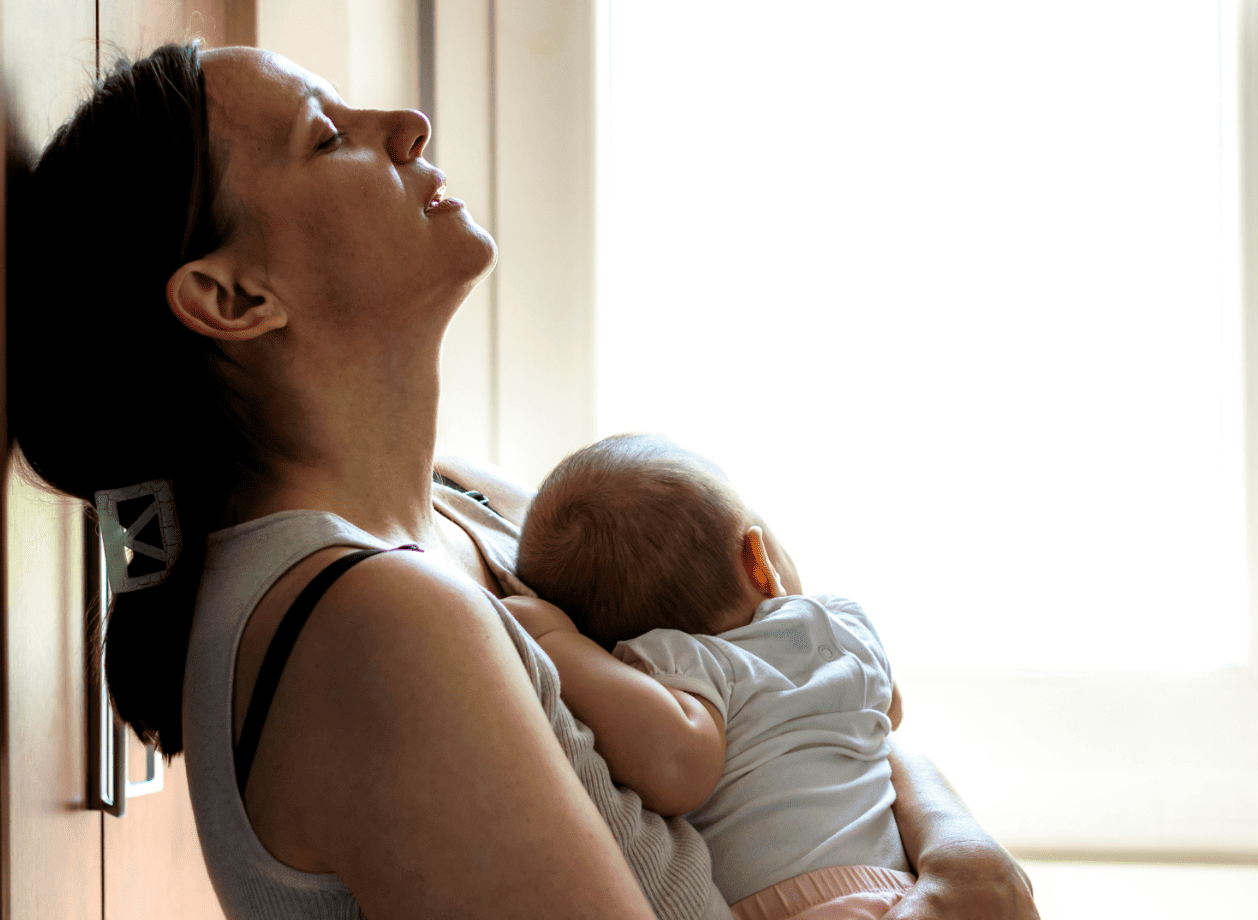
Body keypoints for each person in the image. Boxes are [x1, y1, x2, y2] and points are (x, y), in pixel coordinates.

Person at [5, 41, 1038, 920]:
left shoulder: (473, 505)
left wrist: (963, 848)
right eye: (327, 136)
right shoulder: (374, 620)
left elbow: (797, 686)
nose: (404, 123)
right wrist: (960, 868)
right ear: (233, 297)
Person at [514, 434, 914, 920]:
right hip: (900, 886)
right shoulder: (840, 623)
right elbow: (889, 710)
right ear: (758, 560)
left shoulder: (680, 665)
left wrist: (555, 640)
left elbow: (679, 769)